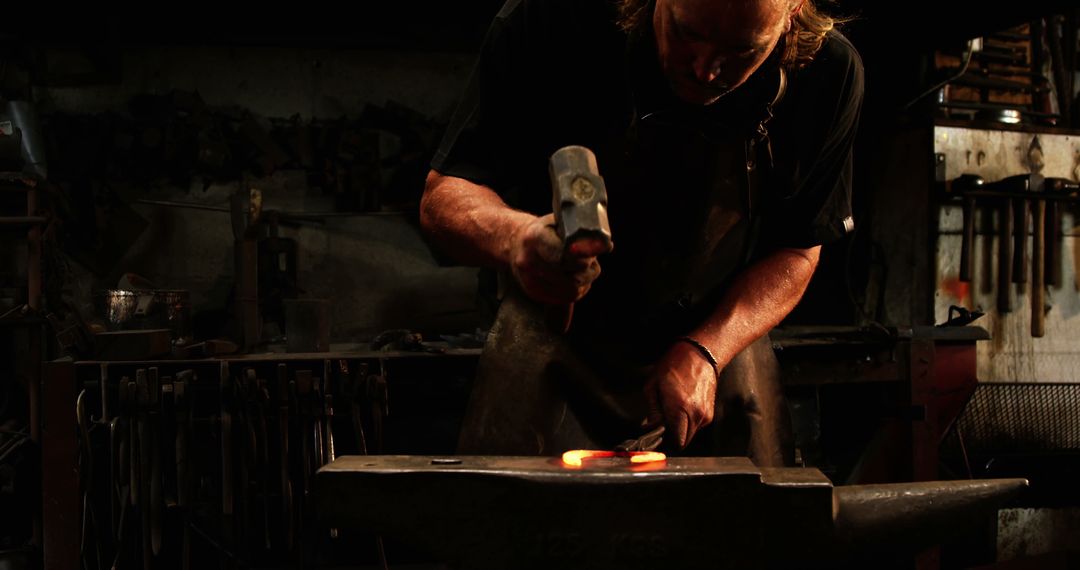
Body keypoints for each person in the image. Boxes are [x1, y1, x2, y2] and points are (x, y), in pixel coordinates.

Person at [420, 0, 864, 466]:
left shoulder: (826, 73)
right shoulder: (549, 19)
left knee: (747, 519)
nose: (706, 70)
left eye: (741, 50)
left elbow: (798, 251)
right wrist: (517, 238)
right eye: (687, 33)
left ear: (793, 10)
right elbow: (444, 195)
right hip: (555, 328)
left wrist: (708, 349)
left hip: (719, 332)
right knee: (508, 513)